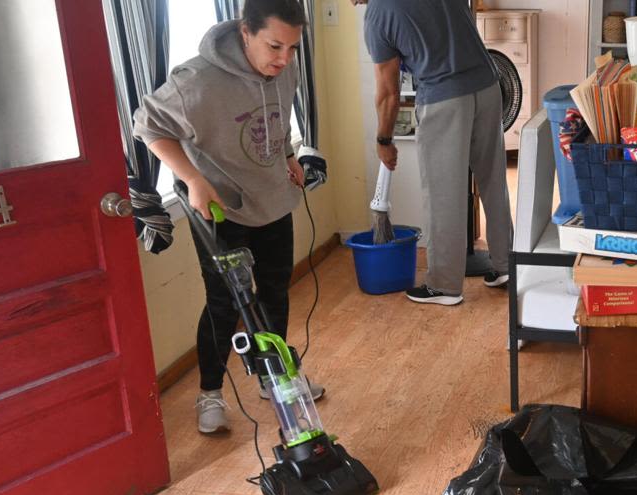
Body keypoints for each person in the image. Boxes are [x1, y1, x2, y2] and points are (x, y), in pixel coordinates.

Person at [134, 0, 322, 434]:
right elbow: (147, 125)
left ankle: (272, 377)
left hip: (273, 199)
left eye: (294, 48)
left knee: (275, 290)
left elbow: (275, 116)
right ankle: (210, 393)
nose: (284, 59)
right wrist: (192, 179)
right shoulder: (198, 80)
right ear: (245, 32)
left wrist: (289, 154)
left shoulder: (285, 64)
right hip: (220, 209)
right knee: (224, 303)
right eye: (275, 46)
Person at [356, 0, 513, 306]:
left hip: (444, 98)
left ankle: (444, 285)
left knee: (444, 193)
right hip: (488, 84)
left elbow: (388, 92)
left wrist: (383, 139)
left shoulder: (377, 14)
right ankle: (506, 265)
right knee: (493, 179)